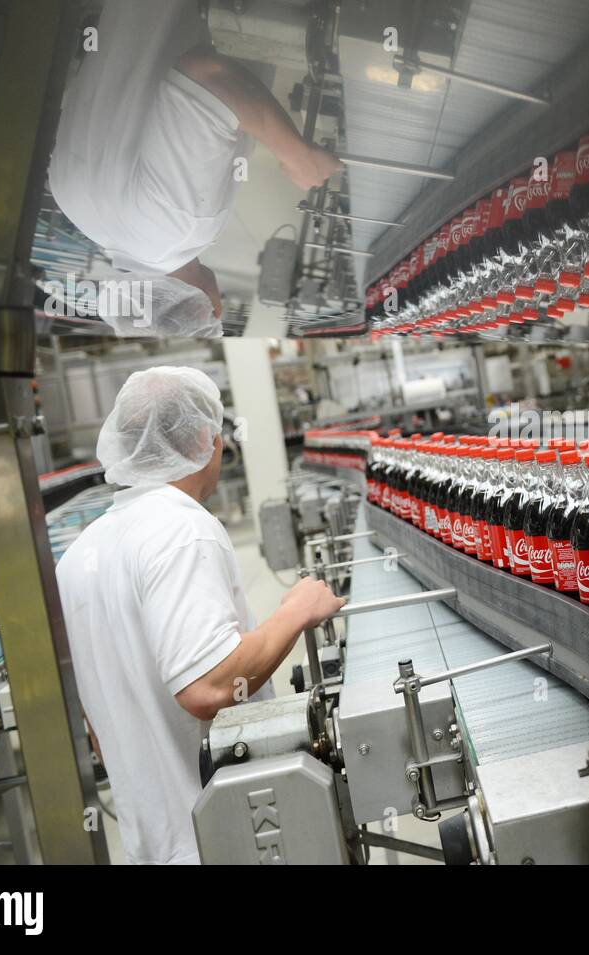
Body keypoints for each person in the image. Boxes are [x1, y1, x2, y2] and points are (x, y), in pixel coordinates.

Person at [56, 367, 345, 864]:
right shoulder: (181, 530)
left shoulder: (81, 554)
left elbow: (95, 728)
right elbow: (208, 687)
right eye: (216, 432)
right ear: (200, 439)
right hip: (223, 840)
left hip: (154, 846)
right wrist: (295, 612)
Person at [49, 0, 341, 335]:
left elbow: (206, 76)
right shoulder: (72, 205)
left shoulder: (178, 230)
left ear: (211, 310)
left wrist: (296, 155)